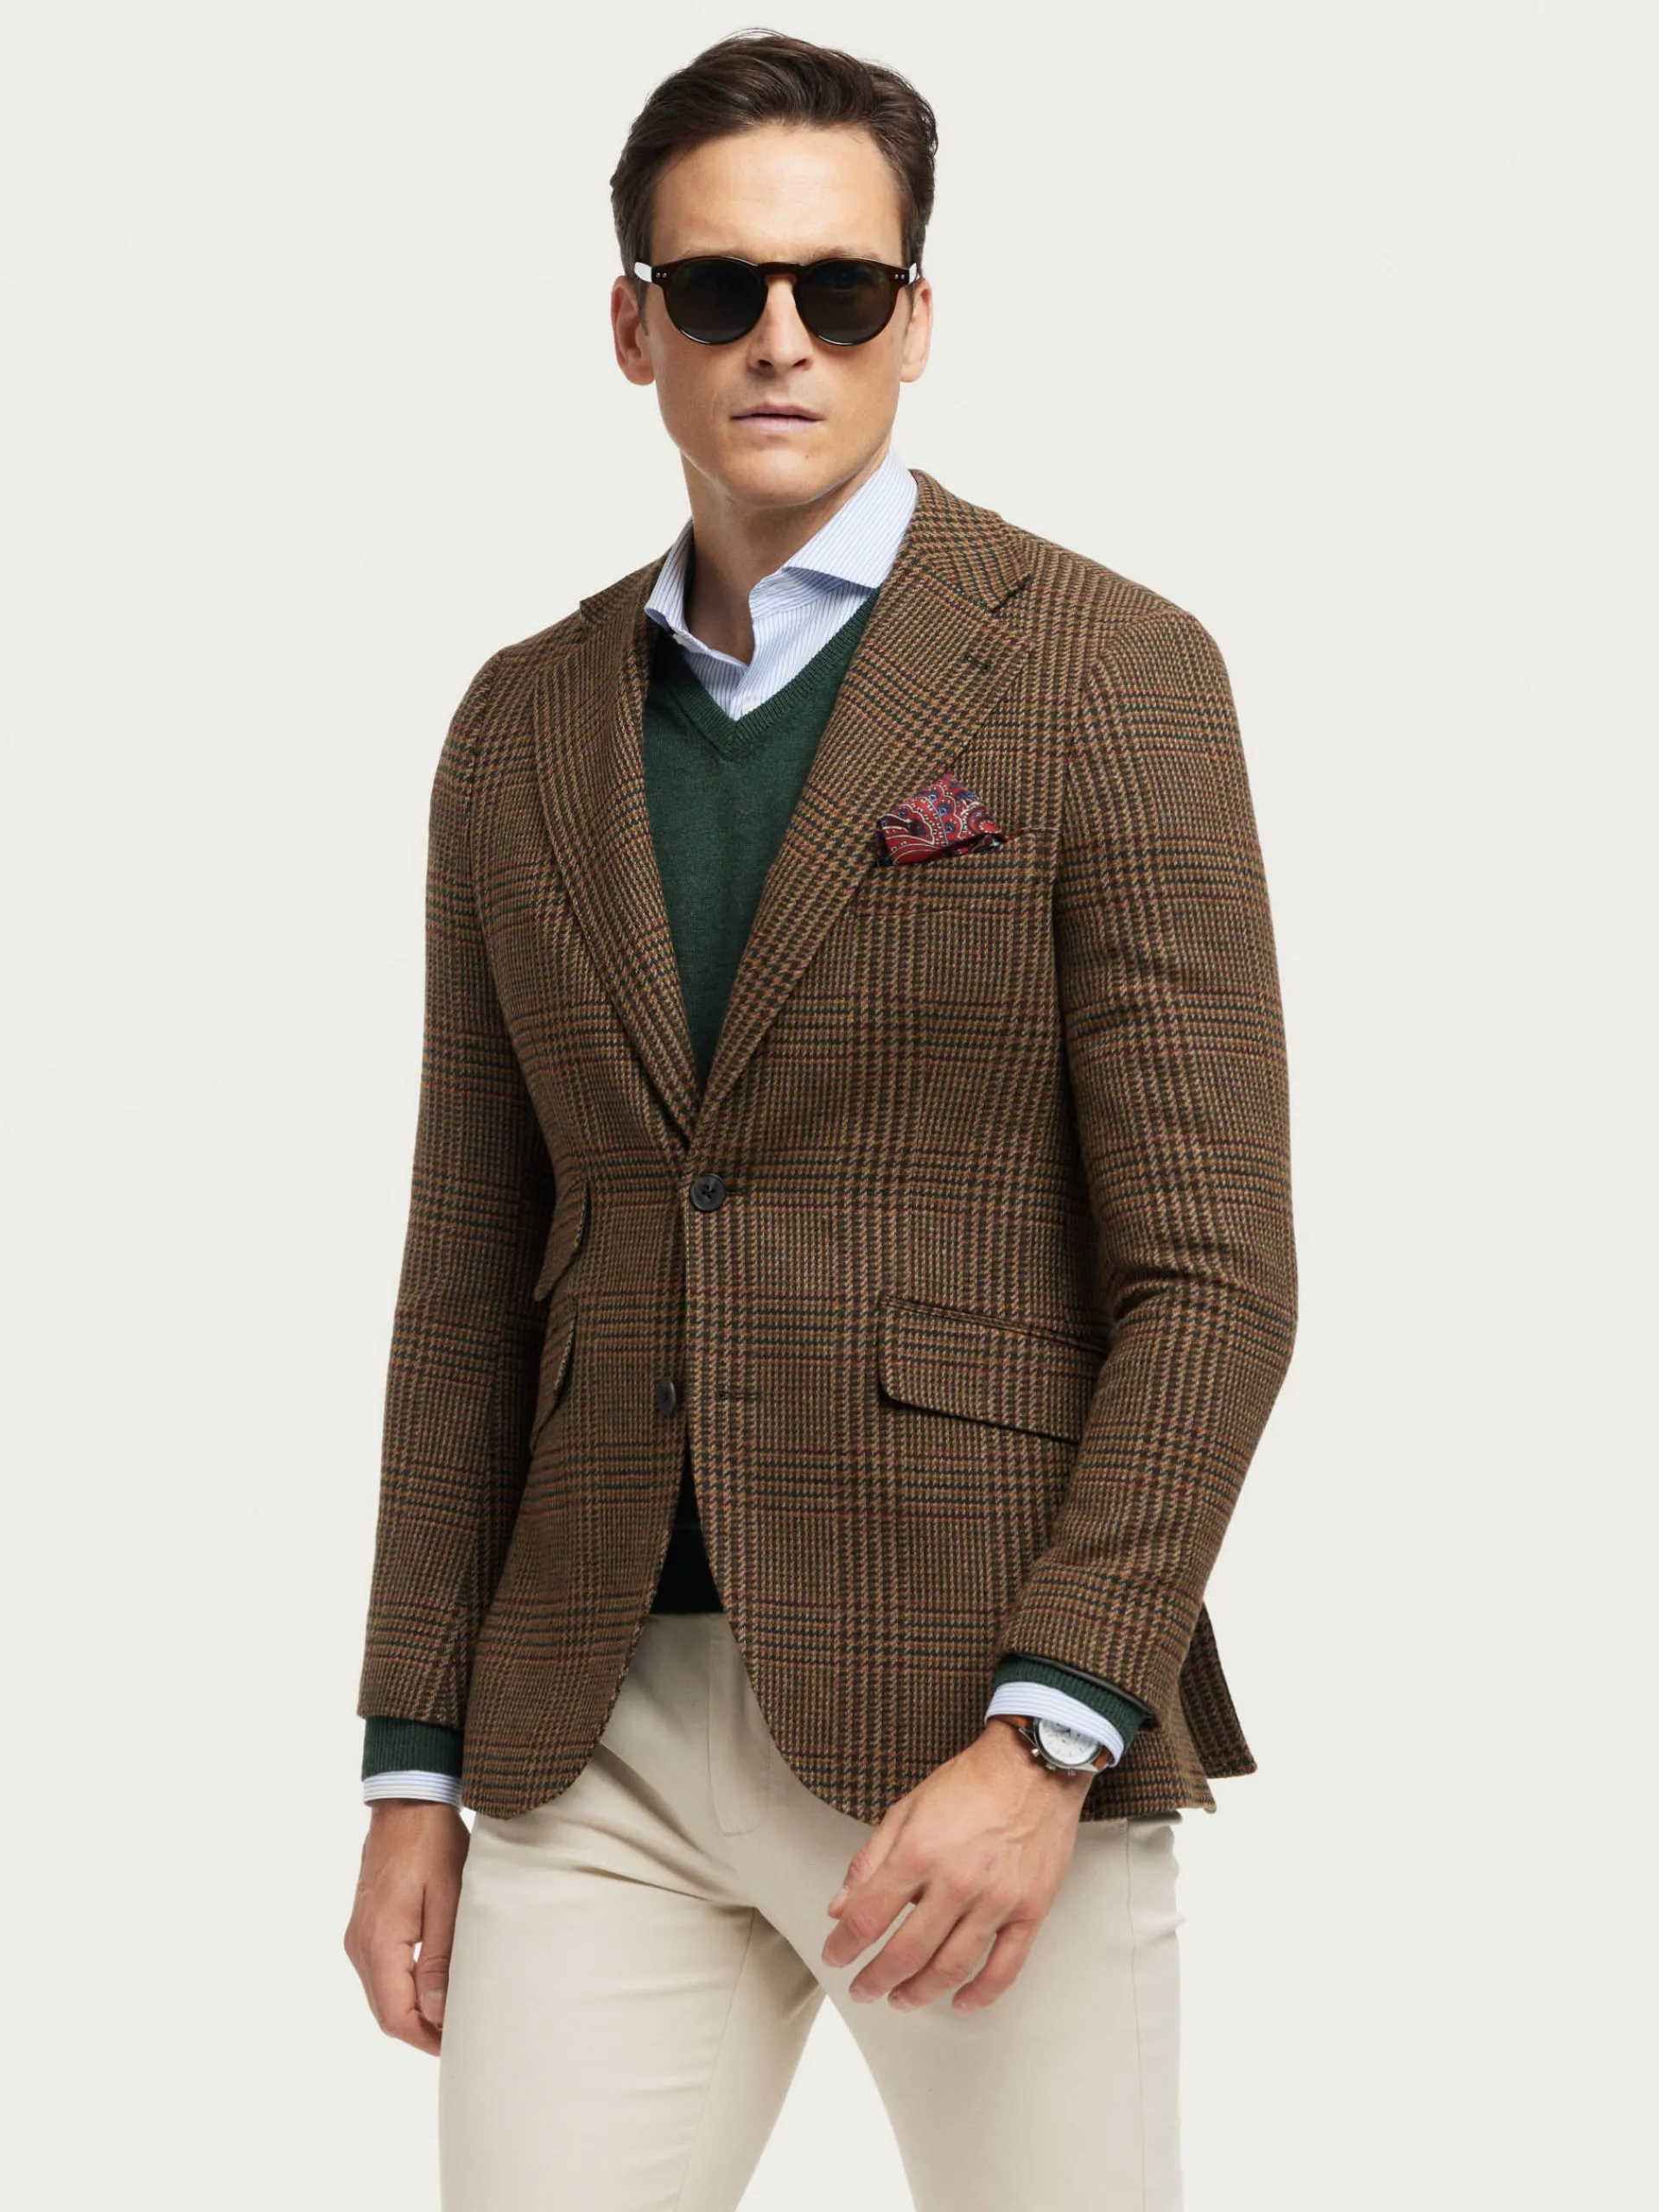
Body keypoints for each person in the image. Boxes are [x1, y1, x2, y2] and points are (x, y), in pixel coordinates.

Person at [344, 29, 1297, 2211]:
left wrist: (1051, 1725)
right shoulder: (518, 724)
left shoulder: (1105, 670)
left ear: (915, 319)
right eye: (720, 289)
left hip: (973, 1701)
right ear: (634, 326)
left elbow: (1215, 1271)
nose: (781, 337)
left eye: (840, 289)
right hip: (587, 1723)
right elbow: (468, 1262)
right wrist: (410, 1750)